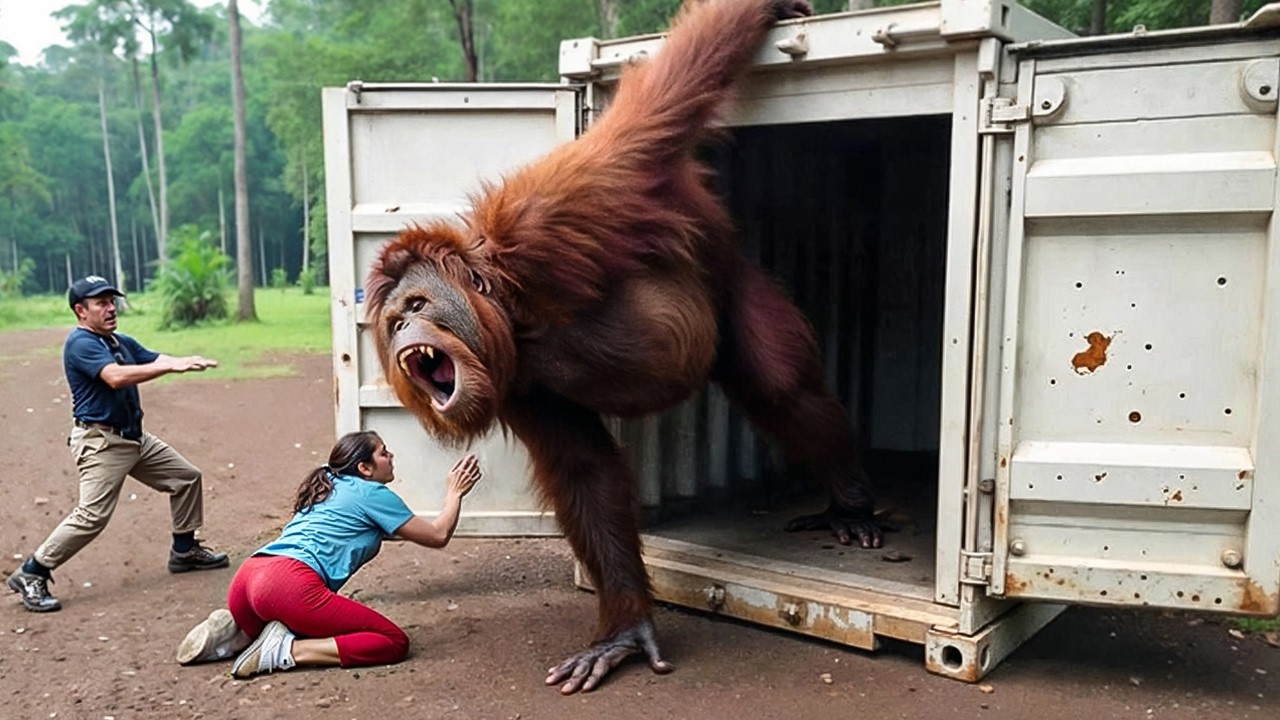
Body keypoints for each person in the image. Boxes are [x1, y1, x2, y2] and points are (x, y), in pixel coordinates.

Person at [176, 430, 482, 679]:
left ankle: (239, 632)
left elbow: (381, 529)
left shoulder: (328, 479)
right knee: (392, 642)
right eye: (383, 452)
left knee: (302, 622)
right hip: (286, 586)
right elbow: (438, 535)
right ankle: (285, 652)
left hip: (248, 579)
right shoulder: (373, 494)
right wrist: (454, 493)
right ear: (365, 469)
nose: (391, 457)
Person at [7, 275, 228, 613]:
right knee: (92, 515)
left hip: (134, 438)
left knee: (186, 477)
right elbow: (115, 377)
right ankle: (32, 571)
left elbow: (153, 356)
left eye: (112, 301)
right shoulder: (81, 343)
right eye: (101, 303)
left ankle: (184, 551)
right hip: (102, 442)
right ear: (81, 311)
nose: (111, 308)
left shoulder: (118, 340)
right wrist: (169, 367)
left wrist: (181, 359)